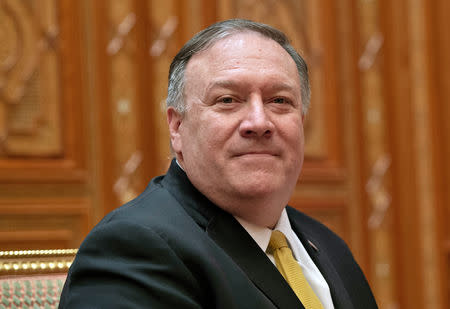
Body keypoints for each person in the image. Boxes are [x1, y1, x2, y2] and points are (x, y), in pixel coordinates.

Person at [59, 19, 378, 308]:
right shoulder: (132, 249)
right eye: (227, 100)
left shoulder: (325, 244)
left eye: (279, 101)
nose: (259, 121)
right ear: (177, 127)